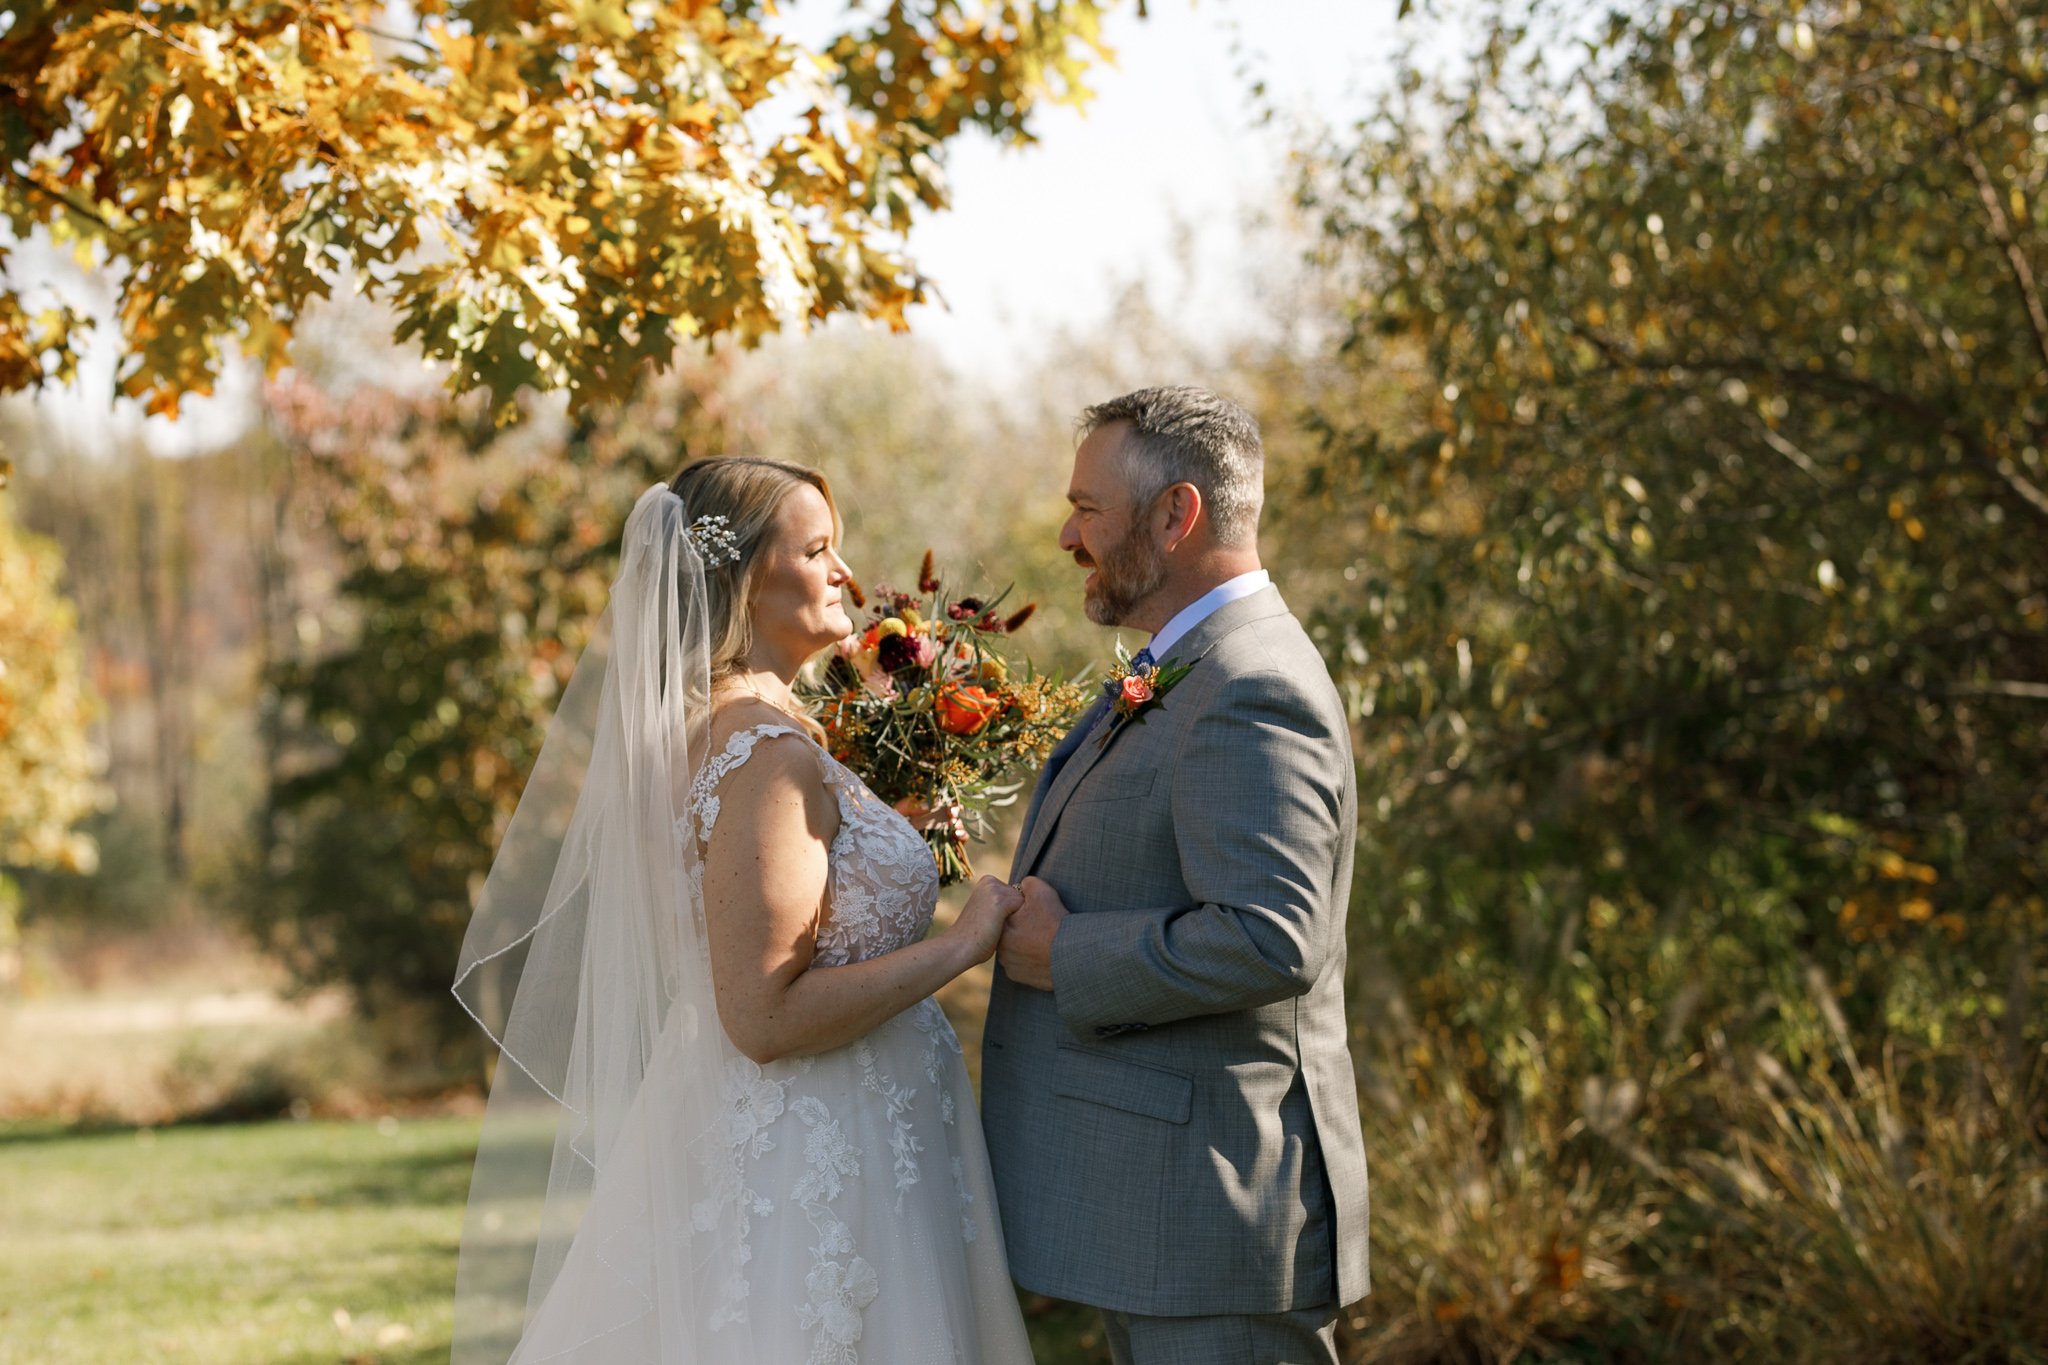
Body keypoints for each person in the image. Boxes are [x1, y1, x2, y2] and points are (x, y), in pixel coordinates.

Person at [450, 456, 1035, 1365]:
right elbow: (763, 1013)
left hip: (831, 1131)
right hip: (817, 1153)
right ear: (745, 580)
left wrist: (896, 828)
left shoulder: (745, 731)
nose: (844, 572)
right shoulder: (763, 753)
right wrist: (964, 945)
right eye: (817, 549)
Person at [983, 385, 1371, 1364]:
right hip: (1156, 1210)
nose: (1069, 539)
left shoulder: (1252, 684)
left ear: (1174, 513)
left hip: (1211, 1211)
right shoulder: (1186, 665)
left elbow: (1271, 937)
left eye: (1085, 509)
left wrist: (1064, 951)